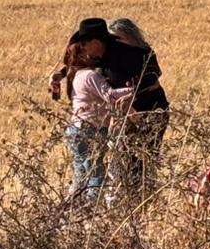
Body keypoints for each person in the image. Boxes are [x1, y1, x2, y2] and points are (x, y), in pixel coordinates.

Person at [63, 39, 135, 198]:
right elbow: (111, 96)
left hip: (75, 129)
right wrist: (133, 89)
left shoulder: (77, 76)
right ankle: (92, 205)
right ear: (84, 55)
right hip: (90, 129)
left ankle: (74, 205)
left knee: (80, 173)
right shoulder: (91, 76)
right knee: (96, 173)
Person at [105, 17, 169, 190]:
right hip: (125, 114)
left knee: (146, 156)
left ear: (130, 35)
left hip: (151, 111)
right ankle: (130, 193)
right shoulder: (111, 56)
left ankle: (143, 193)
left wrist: (130, 94)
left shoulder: (145, 52)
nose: (115, 42)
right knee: (124, 157)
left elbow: (152, 80)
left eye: (118, 38)